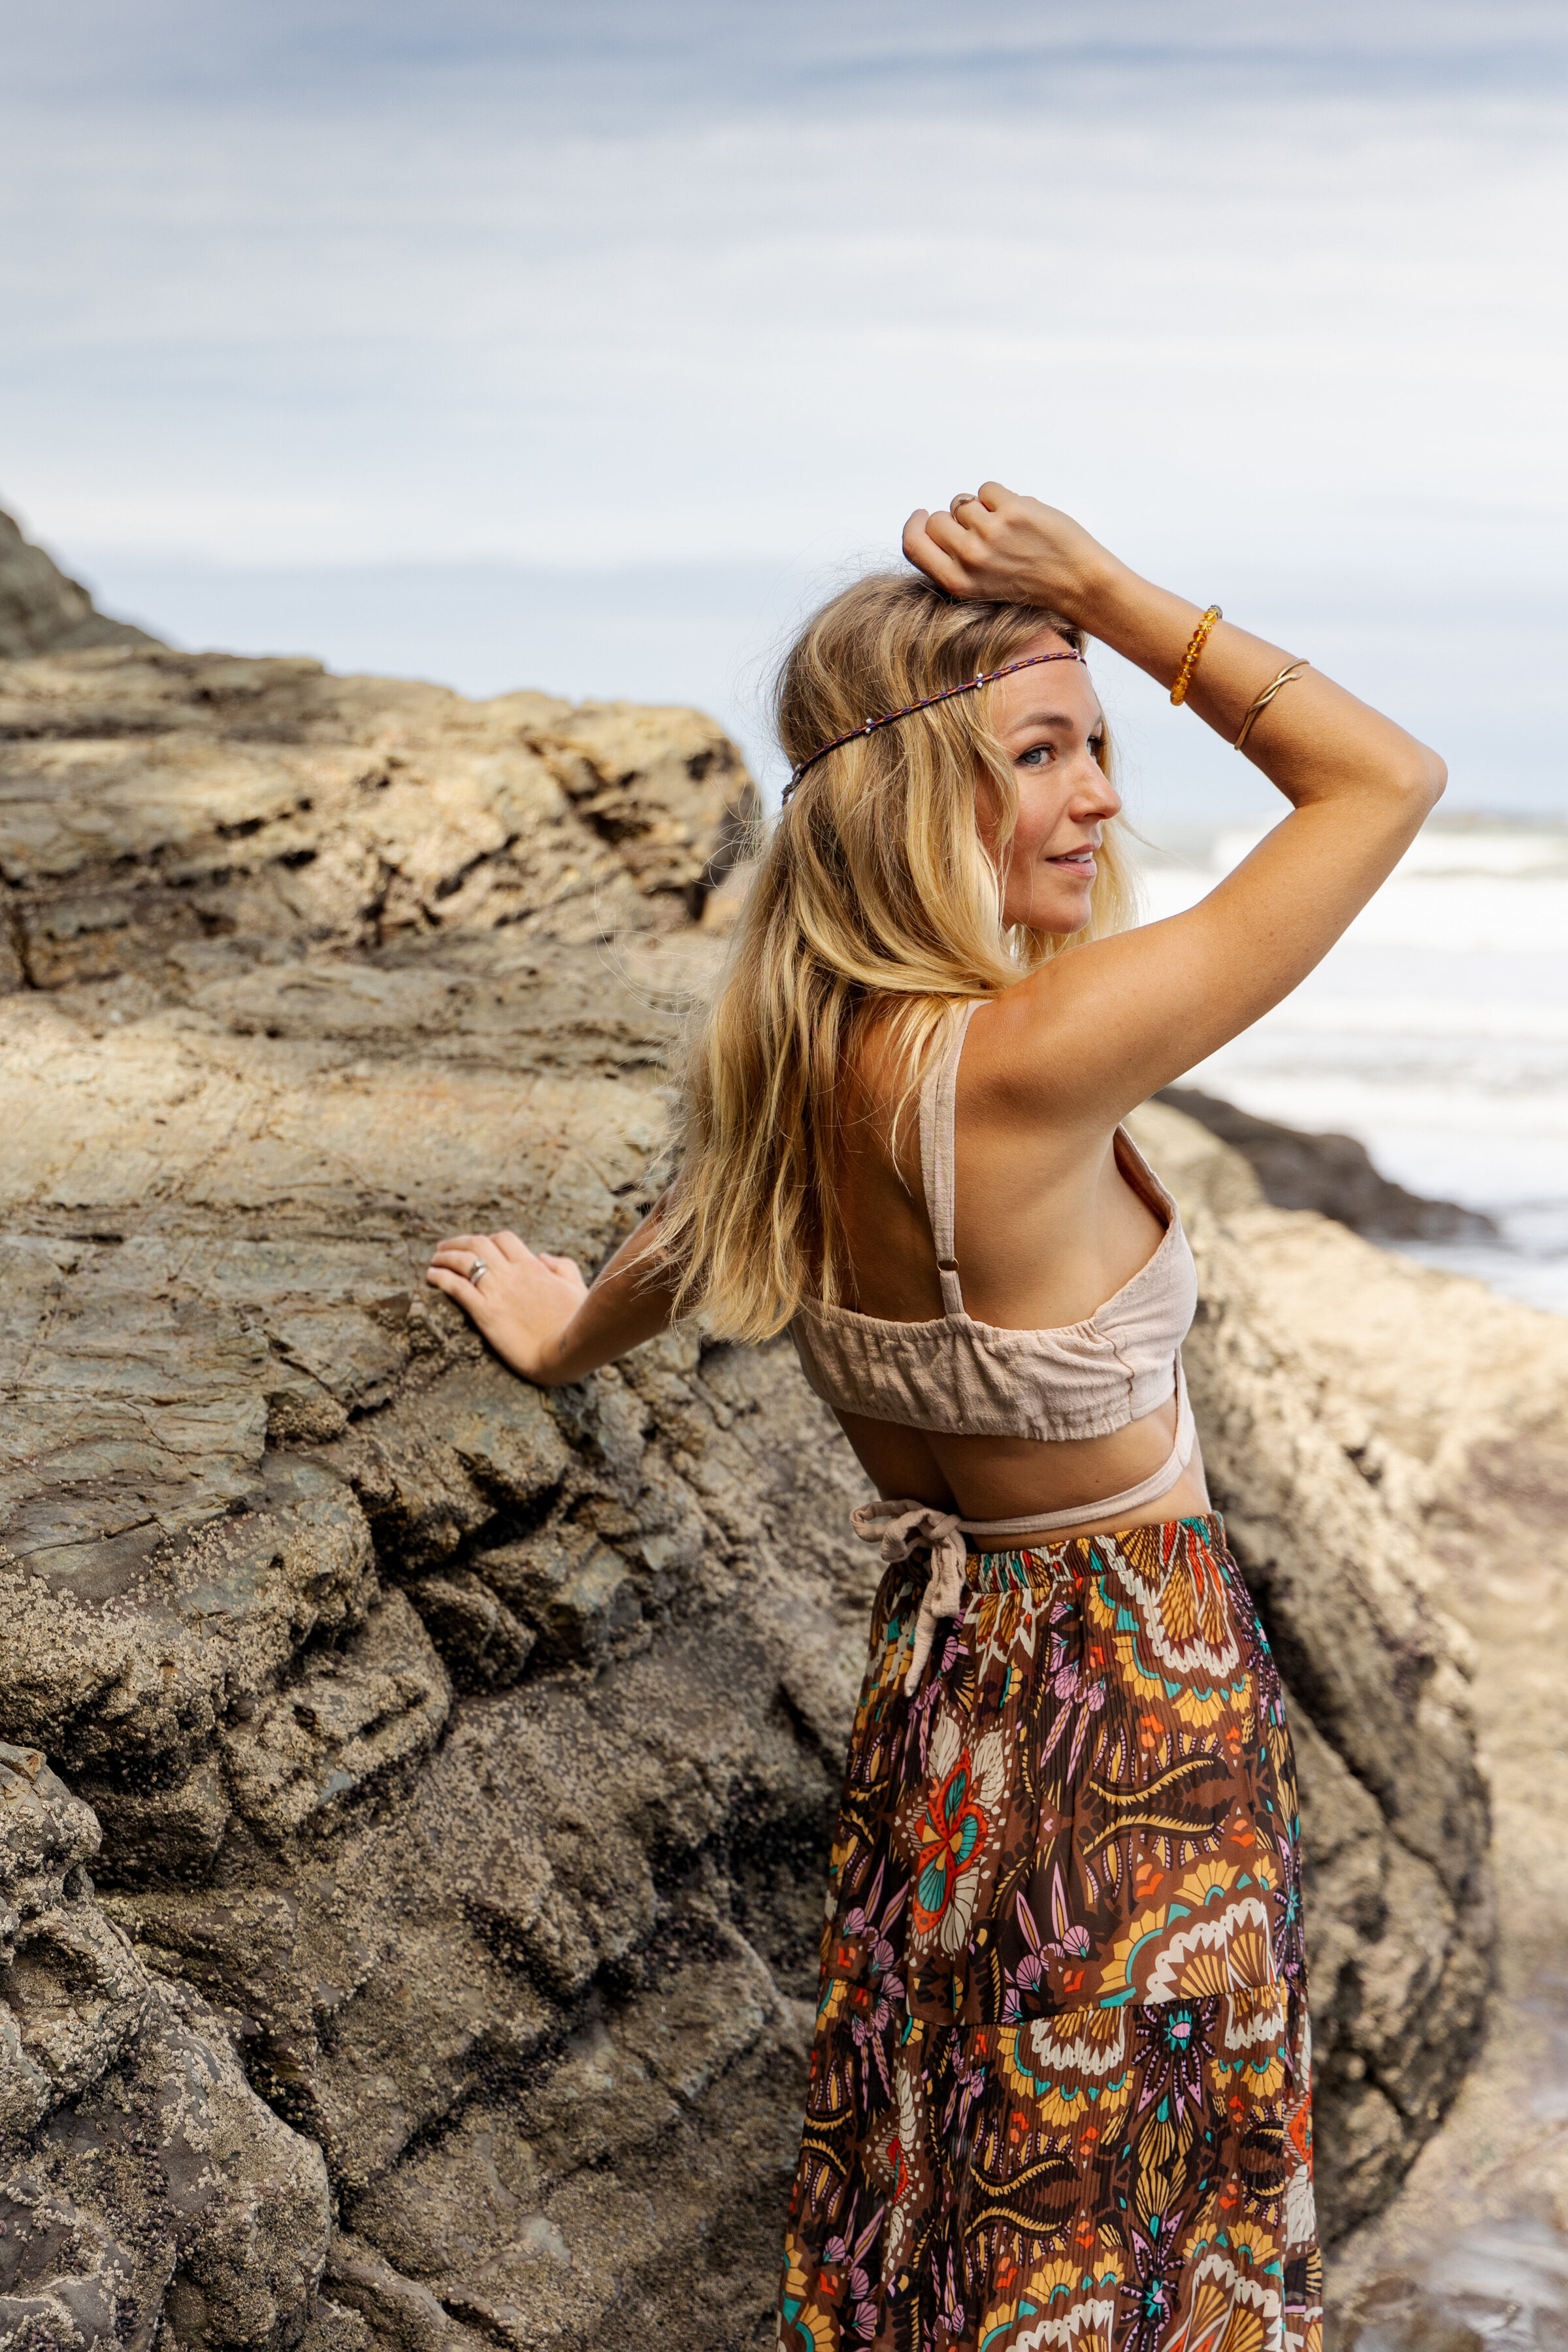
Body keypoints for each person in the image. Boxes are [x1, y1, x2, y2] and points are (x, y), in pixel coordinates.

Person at [427, 485, 1444, 2349]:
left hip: (957, 1690)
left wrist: (566, 1338)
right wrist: (1105, 595)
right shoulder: (1036, 1063)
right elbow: (1381, 783)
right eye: (1043, 751)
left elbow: (683, 1240)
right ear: (915, 800)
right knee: (1131, 2200)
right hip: (1135, 1705)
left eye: (1102, 746)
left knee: (957, 2147)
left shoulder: (801, 1070)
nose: (1100, 794)